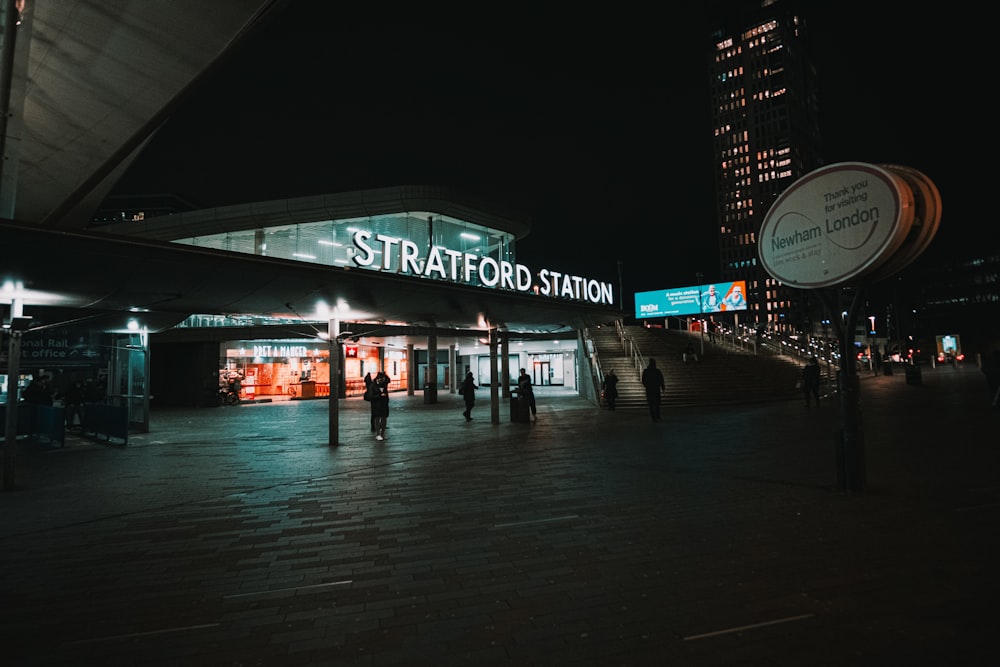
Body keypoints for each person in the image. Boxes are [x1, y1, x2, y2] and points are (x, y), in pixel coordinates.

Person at [370, 371, 390, 440]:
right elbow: (371, 396)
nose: (383, 380)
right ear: (378, 378)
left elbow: (388, 381)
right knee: (377, 419)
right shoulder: (373, 385)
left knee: (384, 419)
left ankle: (382, 434)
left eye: (383, 379)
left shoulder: (384, 384)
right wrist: (379, 396)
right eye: (381, 379)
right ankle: (378, 434)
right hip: (376, 405)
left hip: (384, 405)